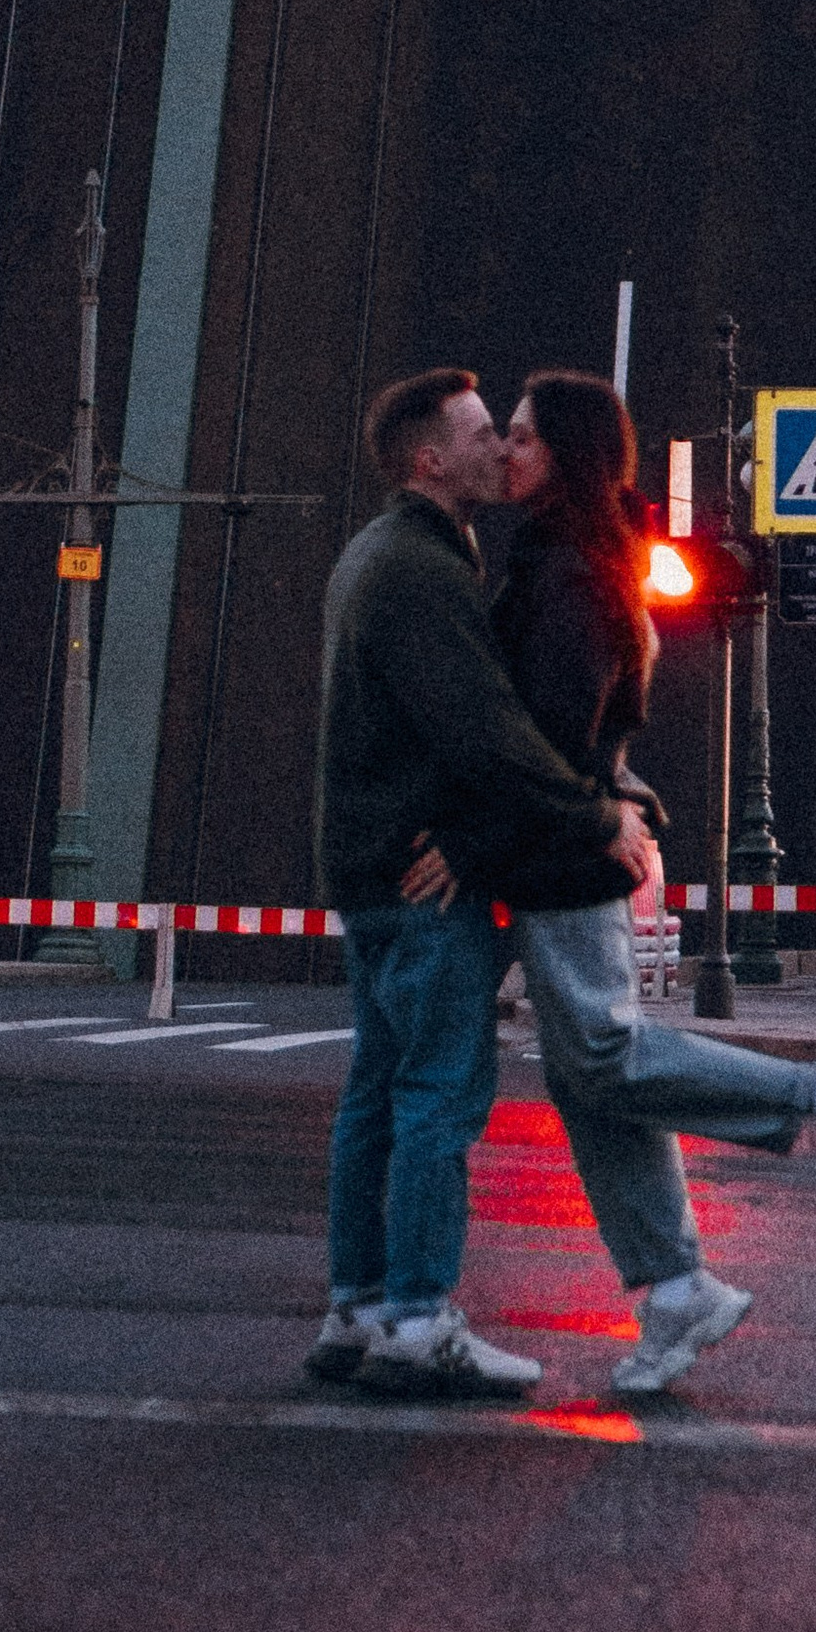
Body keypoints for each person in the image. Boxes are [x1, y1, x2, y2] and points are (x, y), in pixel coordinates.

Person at [444, 369, 816, 1396]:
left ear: (563, 455)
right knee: (586, 1081)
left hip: (564, 855)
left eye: (523, 439)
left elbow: (557, 737)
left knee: (606, 1057)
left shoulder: (568, 572)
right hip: (555, 847)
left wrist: (556, 815)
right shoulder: (565, 559)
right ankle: (673, 1289)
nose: (508, 452)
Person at [308, 367, 658, 1400]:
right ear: (430, 460)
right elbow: (490, 735)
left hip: (374, 871)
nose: (498, 449)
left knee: (375, 1091)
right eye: (479, 434)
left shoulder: (392, 553)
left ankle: (357, 1307)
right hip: (424, 883)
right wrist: (601, 817)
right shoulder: (420, 569)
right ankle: (418, 1321)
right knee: (436, 1100)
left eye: (510, 435)